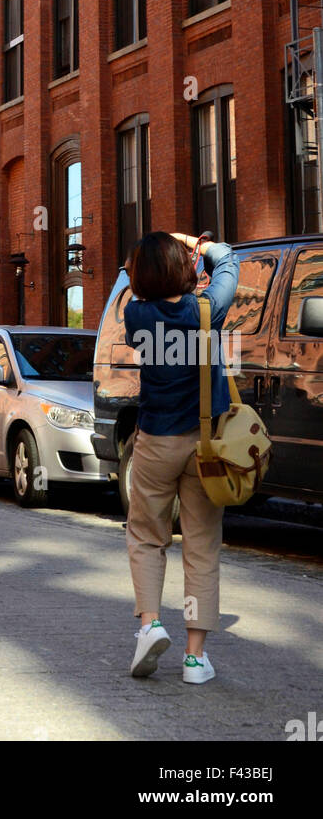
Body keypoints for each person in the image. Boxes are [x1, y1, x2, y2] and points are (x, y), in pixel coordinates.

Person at [123, 231, 239, 685]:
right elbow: (228, 259)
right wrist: (195, 242)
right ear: (184, 268)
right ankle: (194, 659)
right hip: (205, 443)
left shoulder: (135, 315)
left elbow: (136, 285)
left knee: (148, 536)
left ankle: (150, 624)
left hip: (154, 440)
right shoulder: (206, 310)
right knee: (201, 546)